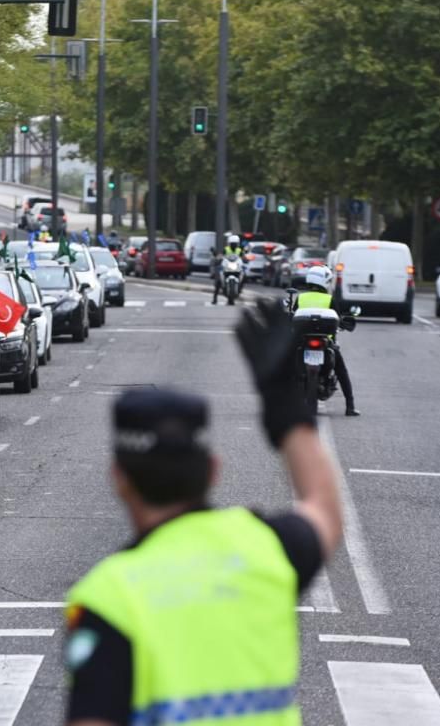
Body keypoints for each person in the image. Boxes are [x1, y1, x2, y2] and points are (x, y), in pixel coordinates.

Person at [65, 299, 343, 726]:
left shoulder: (107, 597)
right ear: (213, 471)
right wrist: (288, 409)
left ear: (120, 479)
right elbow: (324, 510)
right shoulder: (266, 550)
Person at [292, 266, 359, 416]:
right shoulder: (329, 299)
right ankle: (350, 405)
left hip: (302, 341)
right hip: (325, 341)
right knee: (341, 370)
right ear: (324, 282)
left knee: (285, 367)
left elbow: (293, 317)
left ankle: (280, 404)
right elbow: (338, 319)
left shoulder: (301, 298)